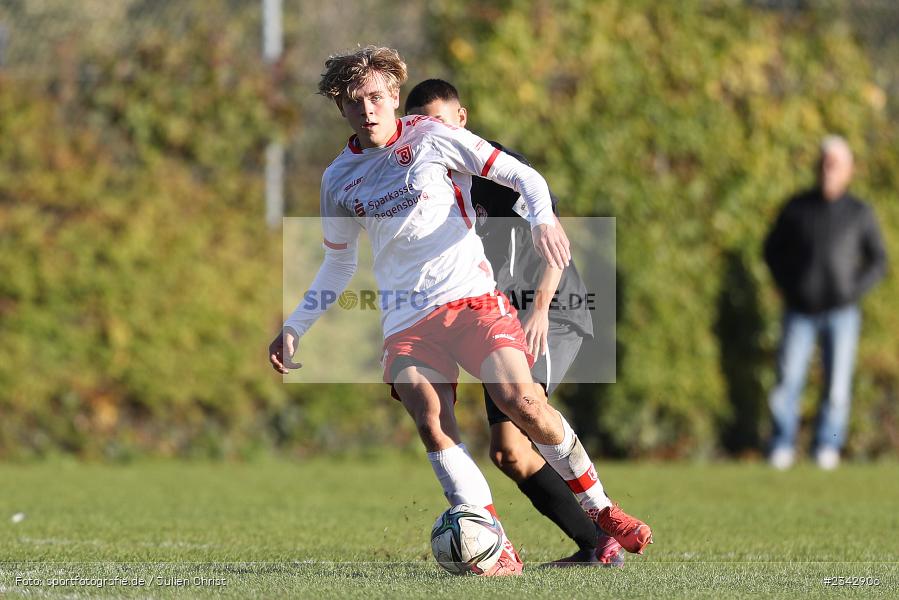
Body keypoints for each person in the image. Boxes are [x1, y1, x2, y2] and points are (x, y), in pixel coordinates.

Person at [269, 46, 651, 575]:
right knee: (432, 419)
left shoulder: (432, 137)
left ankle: (603, 511)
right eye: (355, 101)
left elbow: (526, 178)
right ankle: (498, 549)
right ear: (342, 108)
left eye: (377, 96)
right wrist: (295, 326)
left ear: (396, 97)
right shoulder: (338, 179)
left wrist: (542, 220)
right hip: (406, 319)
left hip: (471, 300)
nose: (369, 110)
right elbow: (337, 265)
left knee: (524, 403)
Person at [403, 79, 618, 567]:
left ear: (463, 119)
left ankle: (605, 525)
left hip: (550, 312)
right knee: (508, 454)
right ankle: (596, 544)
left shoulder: (501, 172)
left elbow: (553, 243)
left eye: (441, 121)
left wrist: (539, 309)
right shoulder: (426, 176)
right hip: (490, 317)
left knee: (526, 411)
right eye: (422, 125)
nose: (432, 133)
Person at [764, 135, 887, 470]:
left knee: (837, 387)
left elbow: (879, 261)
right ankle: (781, 445)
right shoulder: (797, 208)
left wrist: (852, 290)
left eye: (835, 164)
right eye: (824, 162)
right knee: (787, 382)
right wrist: (789, 285)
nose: (828, 169)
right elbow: (771, 250)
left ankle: (826, 448)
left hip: (842, 312)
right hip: (799, 310)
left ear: (848, 170)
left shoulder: (859, 213)